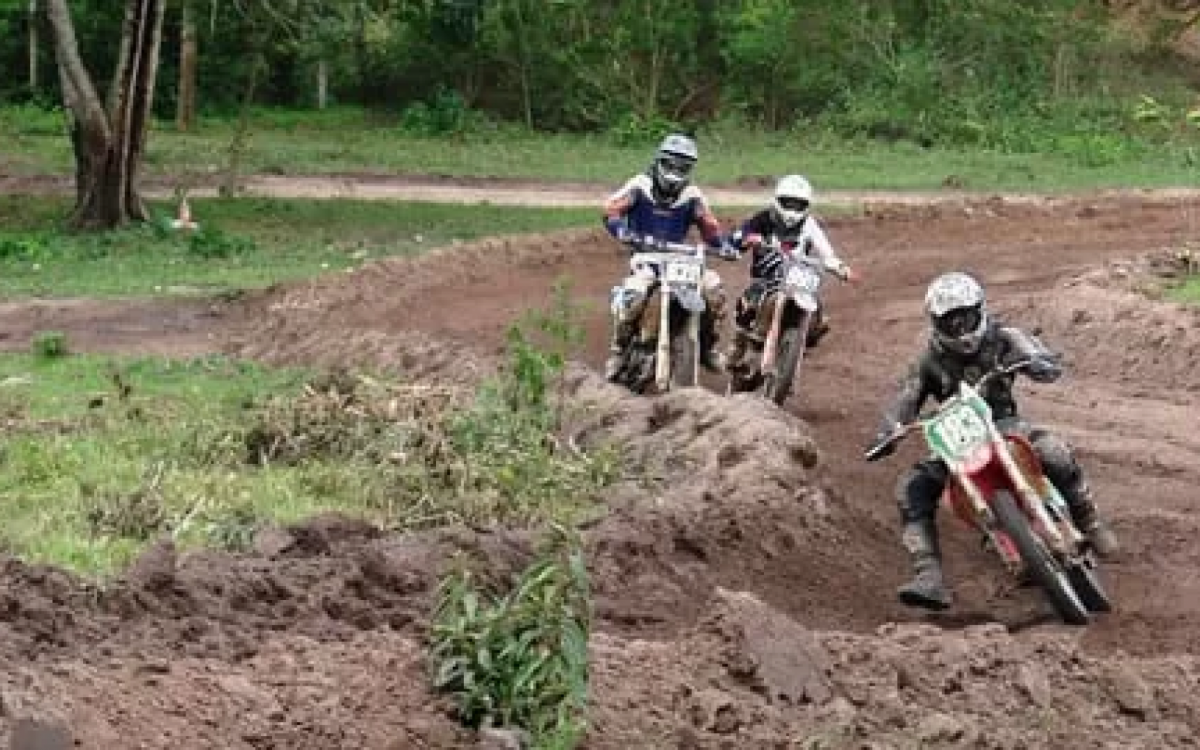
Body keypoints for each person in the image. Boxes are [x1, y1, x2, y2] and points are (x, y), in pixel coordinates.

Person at [864, 271, 1119, 611]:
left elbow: (1038, 357)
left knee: (1052, 450)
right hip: (957, 441)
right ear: (937, 323)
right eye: (950, 322)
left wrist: (1038, 363)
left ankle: (1088, 518)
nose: (960, 329)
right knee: (910, 489)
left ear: (979, 310)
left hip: (1007, 426)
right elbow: (906, 397)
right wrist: (890, 429)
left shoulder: (1004, 338)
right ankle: (929, 575)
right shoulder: (928, 359)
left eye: (965, 318)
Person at [602, 133, 738, 382]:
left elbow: (709, 226)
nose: (675, 171)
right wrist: (620, 228)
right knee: (633, 297)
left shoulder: (692, 195)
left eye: (683, 167)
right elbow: (612, 209)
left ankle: (707, 347)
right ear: (659, 161)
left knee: (715, 292)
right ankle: (619, 351)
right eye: (671, 164)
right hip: (646, 258)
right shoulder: (640, 185)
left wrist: (723, 246)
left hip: (680, 260)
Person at [725, 175, 856, 370]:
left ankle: (802, 338)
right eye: (788, 203)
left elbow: (826, 252)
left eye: (798, 205)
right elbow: (739, 237)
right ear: (778, 201)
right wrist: (744, 240)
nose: (793, 210)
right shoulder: (764, 218)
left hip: (797, 283)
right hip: (766, 279)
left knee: (817, 310)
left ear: (807, 206)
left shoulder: (809, 225)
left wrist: (841, 268)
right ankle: (738, 345)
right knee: (748, 302)